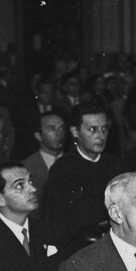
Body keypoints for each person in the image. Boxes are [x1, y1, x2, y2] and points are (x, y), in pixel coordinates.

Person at [42, 102, 124, 258]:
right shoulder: (63, 169)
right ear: (75, 131)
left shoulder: (116, 165)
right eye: (92, 129)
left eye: (104, 129)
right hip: (79, 249)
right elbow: (64, 221)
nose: (100, 136)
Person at [22, 110, 67, 211]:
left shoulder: (75, 162)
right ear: (38, 135)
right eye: (52, 129)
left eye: (62, 128)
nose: (59, 134)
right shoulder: (26, 167)